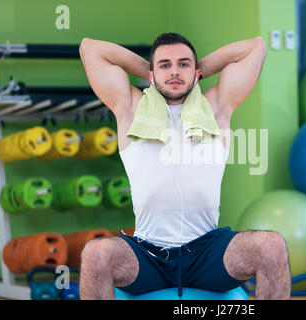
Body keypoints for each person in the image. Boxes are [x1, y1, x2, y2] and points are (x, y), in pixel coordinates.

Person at [78, 32, 291, 300]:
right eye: (165, 65)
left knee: (271, 246)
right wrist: (151, 71)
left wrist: (193, 70)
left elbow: (256, 47)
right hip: (148, 253)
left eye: (184, 64)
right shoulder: (131, 109)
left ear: (197, 71)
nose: (175, 71)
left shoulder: (216, 107)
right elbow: (90, 49)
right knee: (95, 253)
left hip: (207, 252)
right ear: (152, 74)